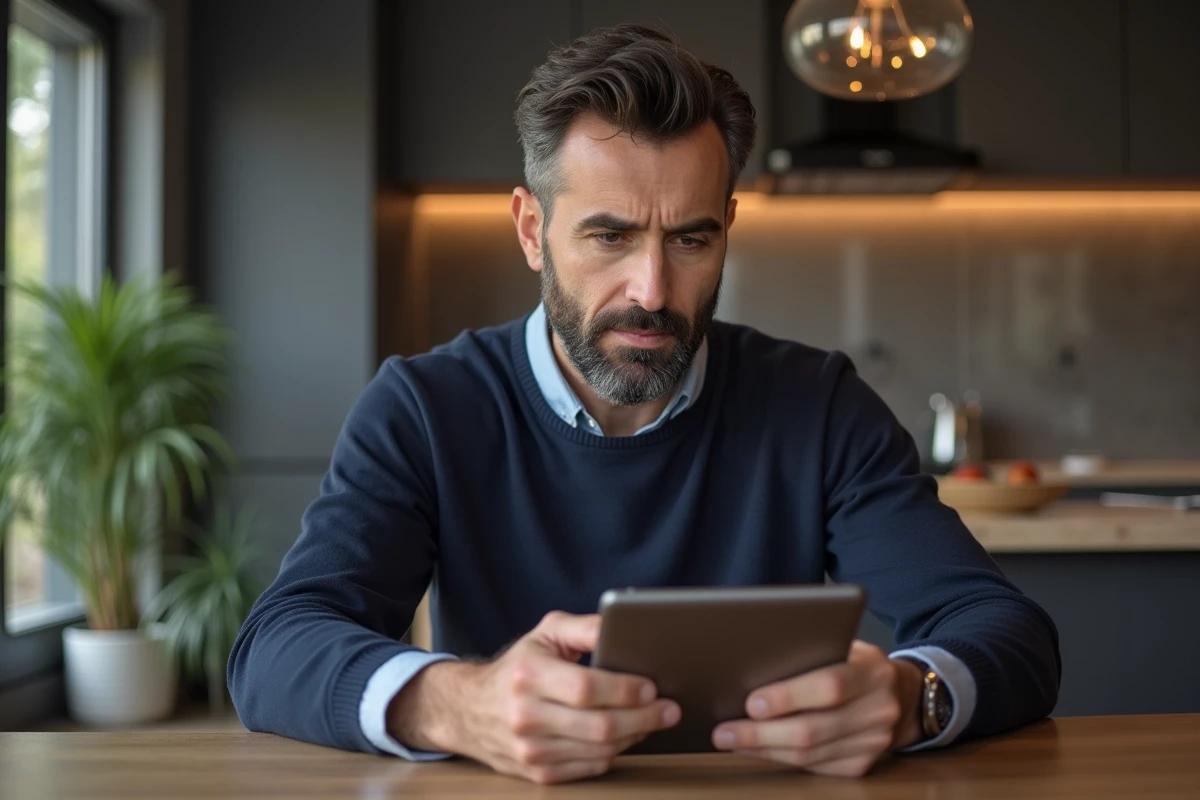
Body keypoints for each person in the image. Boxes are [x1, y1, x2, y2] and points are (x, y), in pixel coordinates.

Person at [228, 24, 1060, 785]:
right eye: (609, 236)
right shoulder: (424, 407)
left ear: (728, 227)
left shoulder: (818, 405)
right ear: (530, 230)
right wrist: (452, 703)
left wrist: (916, 696)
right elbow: (276, 646)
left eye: (690, 239)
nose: (652, 291)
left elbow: (1001, 628)